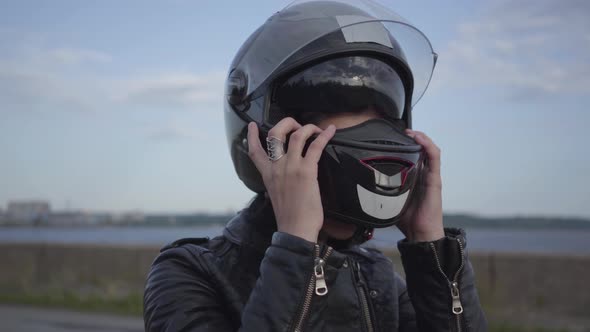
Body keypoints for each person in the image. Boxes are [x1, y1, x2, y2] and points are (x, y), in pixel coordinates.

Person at [143, 1, 487, 331]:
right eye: (344, 109)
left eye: (384, 121)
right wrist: (296, 248)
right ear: (274, 138)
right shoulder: (191, 272)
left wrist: (433, 251)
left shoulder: (378, 277)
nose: (379, 141)